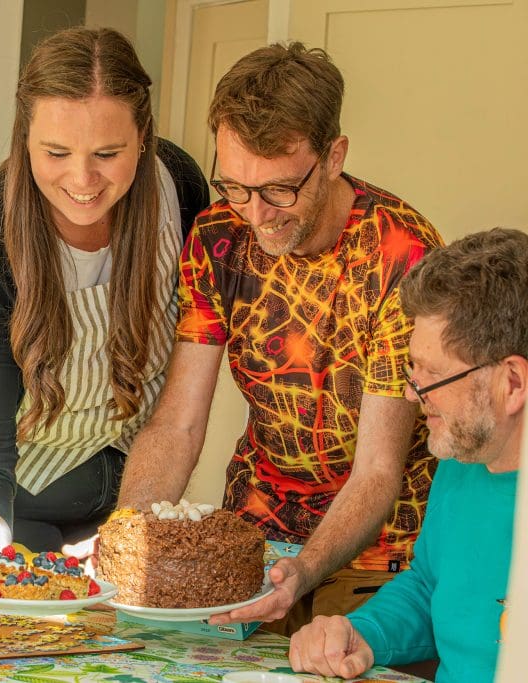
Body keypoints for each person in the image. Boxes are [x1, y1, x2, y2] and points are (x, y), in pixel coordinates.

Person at [117, 42, 444, 632]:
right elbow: (179, 423)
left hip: (383, 546)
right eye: (235, 187)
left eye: (279, 190)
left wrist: (306, 570)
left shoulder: (401, 254)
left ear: (335, 155)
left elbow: (376, 469)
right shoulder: (219, 237)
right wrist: (125, 539)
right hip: (257, 527)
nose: (256, 215)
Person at [0, 27, 209, 554]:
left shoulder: (179, 190)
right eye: (56, 152)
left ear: (145, 135)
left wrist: (125, 534)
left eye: (108, 153)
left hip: (119, 493)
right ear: (23, 137)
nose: (83, 178)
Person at [289, 227, 525, 682]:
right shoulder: (461, 461)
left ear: (511, 383)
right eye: (410, 368)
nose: (412, 394)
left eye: (431, 375)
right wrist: (364, 632)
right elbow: (429, 587)